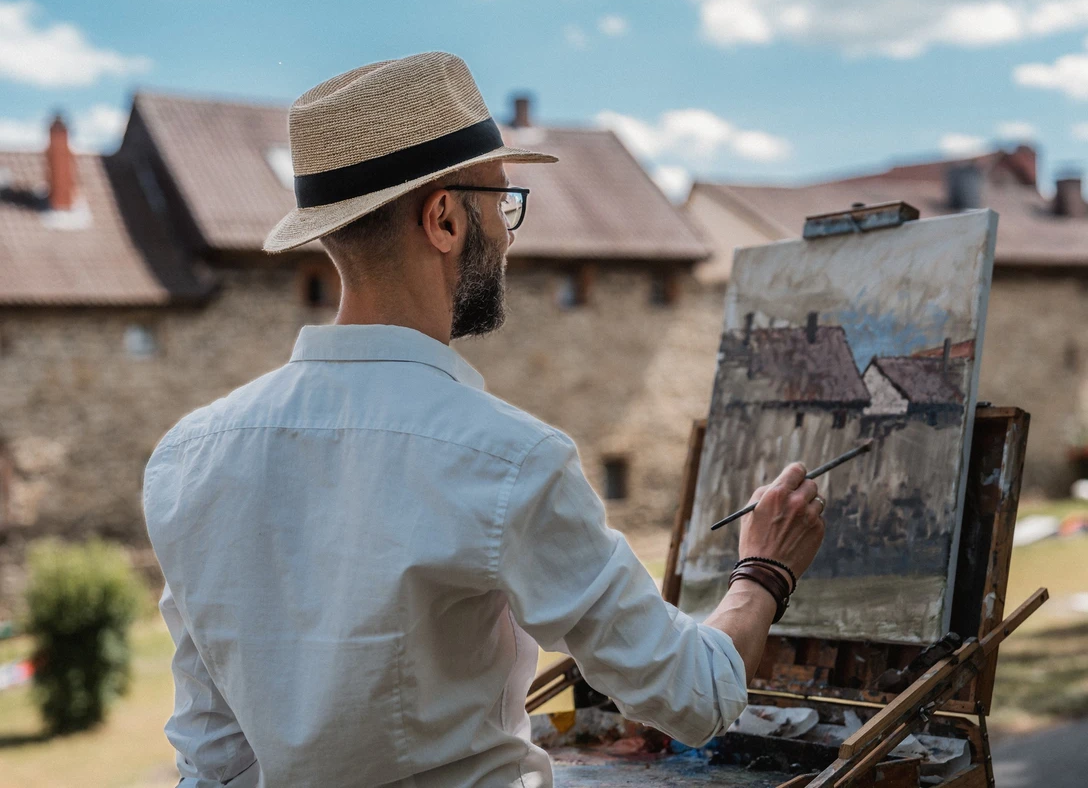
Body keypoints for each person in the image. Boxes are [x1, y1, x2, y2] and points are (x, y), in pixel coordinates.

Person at [143, 52, 826, 788]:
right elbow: (697, 694)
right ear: (442, 218)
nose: (507, 235)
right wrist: (763, 570)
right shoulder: (506, 459)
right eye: (502, 204)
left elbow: (210, 761)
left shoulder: (189, 455)